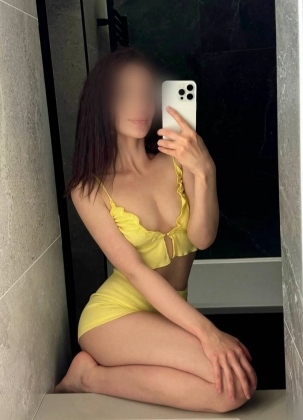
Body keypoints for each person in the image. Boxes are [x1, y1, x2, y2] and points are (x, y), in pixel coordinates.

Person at [56, 47, 257, 413]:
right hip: (114, 316)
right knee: (234, 390)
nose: (140, 105)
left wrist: (205, 170)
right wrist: (207, 332)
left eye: (146, 92)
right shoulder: (89, 189)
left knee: (236, 383)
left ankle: (92, 376)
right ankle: (88, 378)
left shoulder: (178, 161)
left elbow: (203, 237)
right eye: (125, 94)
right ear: (101, 103)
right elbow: (134, 271)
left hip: (169, 313)